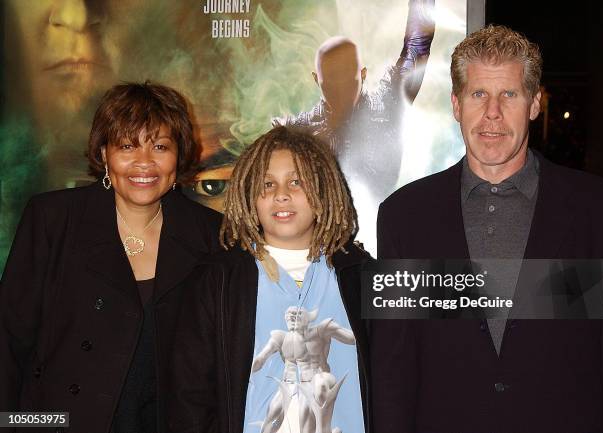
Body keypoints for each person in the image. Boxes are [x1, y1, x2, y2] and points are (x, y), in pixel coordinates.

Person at [372, 25, 603, 433]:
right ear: (455, 104)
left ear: (535, 104)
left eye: (509, 95)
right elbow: (393, 367)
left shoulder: (598, 210)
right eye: (478, 94)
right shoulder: (404, 217)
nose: (493, 113)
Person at [0, 82, 223, 433]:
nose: (144, 163)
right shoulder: (53, 219)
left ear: (178, 156)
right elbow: (8, 342)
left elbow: (220, 363)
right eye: (126, 146)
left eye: (160, 147)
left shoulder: (212, 234)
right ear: (104, 153)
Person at [168, 126, 372, 433]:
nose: (281, 195)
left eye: (296, 182)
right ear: (250, 195)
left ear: (324, 190)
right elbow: (189, 398)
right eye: (267, 184)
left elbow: (399, 374)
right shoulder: (217, 280)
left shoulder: (361, 274)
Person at [274, 0, 435, 210]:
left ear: (363, 74)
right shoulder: (297, 134)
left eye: (347, 75)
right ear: (316, 79)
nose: (340, 86)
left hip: (378, 228)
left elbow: (418, 44)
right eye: (331, 77)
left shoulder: (389, 105)